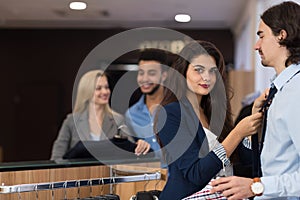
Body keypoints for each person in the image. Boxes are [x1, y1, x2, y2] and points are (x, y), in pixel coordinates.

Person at [211, 1, 300, 199]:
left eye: (261, 36)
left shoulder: (296, 91)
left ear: (281, 35)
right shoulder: (279, 90)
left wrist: (256, 187)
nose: (256, 46)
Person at [154, 40, 262, 200]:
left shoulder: (215, 113)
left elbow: (247, 161)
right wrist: (238, 133)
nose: (207, 77)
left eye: (213, 71)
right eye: (199, 70)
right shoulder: (170, 114)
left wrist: (254, 124)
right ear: (183, 72)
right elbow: (194, 174)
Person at [50, 70, 150, 160]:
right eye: (98, 88)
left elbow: (130, 149)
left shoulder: (118, 120)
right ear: (86, 91)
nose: (105, 92)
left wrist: (140, 145)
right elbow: (56, 157)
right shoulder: (71, 121)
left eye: (106, 87)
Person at [124, 48, 170, 156]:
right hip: (146, 172)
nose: (144, 79)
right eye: (141, 73)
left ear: (164, 76)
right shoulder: (131, 115)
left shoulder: (178, 110)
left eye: (152, 73)